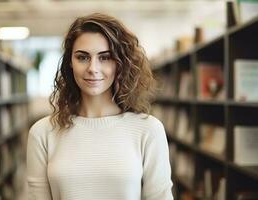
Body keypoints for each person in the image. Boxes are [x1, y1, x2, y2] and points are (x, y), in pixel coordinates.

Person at [27, 13, 173, 200]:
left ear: (120, 64)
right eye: (82, 57)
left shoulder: (148, 130)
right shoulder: (42, 133)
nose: (93, 68)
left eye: (105, 58)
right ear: (70, 63)